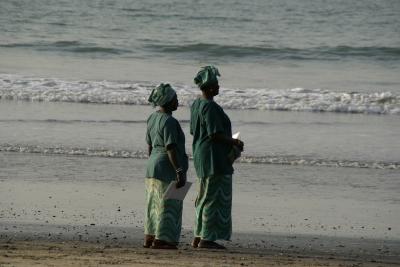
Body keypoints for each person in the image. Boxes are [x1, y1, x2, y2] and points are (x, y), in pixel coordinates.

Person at [190, 66, 244, 249]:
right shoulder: (210, 107)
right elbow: (214, 135)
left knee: (204, 196)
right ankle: (207, 239)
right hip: (214, 157)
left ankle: (199, 236)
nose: (219, 87)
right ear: (211, 87)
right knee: (214, 197)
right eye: (217, 84)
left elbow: (194, 131)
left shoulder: (196, 104)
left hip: (201, 154)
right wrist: (234, 142)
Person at [144, 83, 188, 249]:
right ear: (168, 101)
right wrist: (179, 171)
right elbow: (170, 148)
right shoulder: (169, 121)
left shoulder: (152, 118)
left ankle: (150, 236)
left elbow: (149, 145)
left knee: (153, 204)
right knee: (169, 204)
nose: (177, 101)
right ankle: (163, 239)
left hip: (152, 165)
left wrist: (153, 162)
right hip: (167, 165)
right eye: (175, 98)